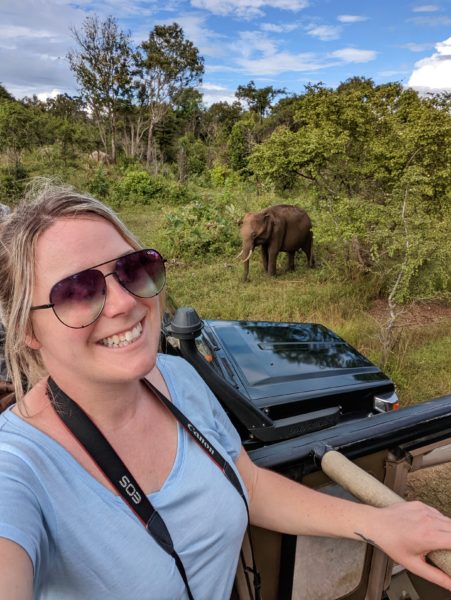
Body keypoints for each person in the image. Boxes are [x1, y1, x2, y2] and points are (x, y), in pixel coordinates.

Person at [0, 182, 450, 600]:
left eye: (134, 268)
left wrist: (377, 522)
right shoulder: (16, 468)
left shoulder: (178, 378)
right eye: (77, 291)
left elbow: (247, 484)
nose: (123, 303)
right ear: (26, 330)